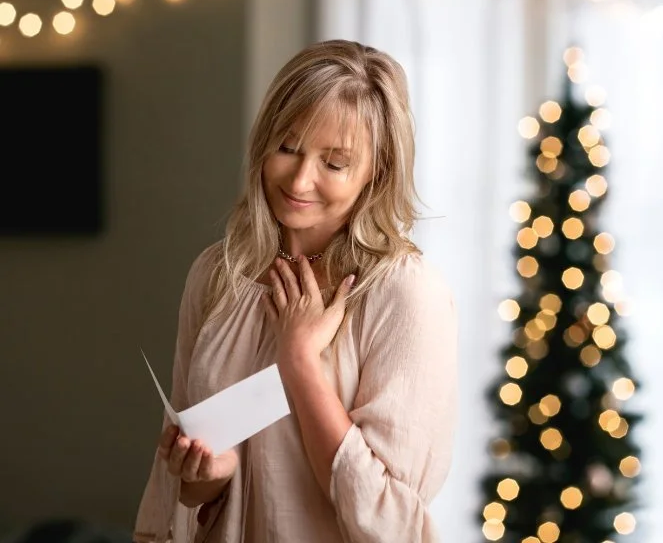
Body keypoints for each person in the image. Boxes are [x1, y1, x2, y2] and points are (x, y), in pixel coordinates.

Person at [133, 40, 459, 543]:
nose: (300, 180)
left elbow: (391, 523)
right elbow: (177, 491)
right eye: (287, 147)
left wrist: (300, 360)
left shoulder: (406, 296)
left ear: (377, 172)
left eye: (334, 162)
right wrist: (208, 477)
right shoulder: (218, 275)